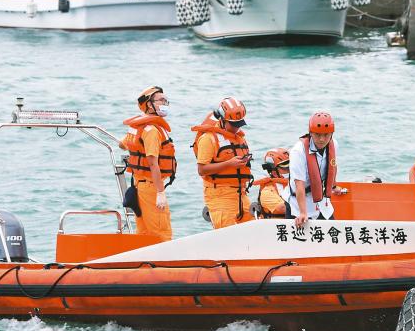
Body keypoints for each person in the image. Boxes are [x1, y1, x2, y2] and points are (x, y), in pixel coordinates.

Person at [119, 86, 176, 241]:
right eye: (161, 100)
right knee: (161, 233)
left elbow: (122, 144)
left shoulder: (139, 127)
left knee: (144, 232)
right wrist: (160, 193)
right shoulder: (151, 131)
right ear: (149, 105)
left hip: (139, 185)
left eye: (166, 100)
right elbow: (153, 163)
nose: (165, 103)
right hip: (151, 187)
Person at [191, 96, 254, 229]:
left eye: (239, 124)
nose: (236, 128)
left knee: (252, 232)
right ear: (223, 119)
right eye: (233, 125)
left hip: (241, 195)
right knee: (228, 238)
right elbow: (202, 170)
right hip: (220, 197)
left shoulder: (239, 139)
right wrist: (229, 164)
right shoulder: (208, 139)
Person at [284, 111, 347, 227]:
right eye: (317, 135)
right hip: (299, 203)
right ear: (311, 133)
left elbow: (333, 166)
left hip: (321, 201)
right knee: (299, 241)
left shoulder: (334, 145)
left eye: (326, 135)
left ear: (331, 134)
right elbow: (299, 185)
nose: (322, 139)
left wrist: (333, 186)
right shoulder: (298, 151)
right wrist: (303, 212)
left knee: (332, 232)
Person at [253, 148, 290, 218]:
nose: (289, 170)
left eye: (290, 166)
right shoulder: (267, 191)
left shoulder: (295, 183)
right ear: (273, 171)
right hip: (277, 227)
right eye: (285, 168)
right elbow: (282, 209)